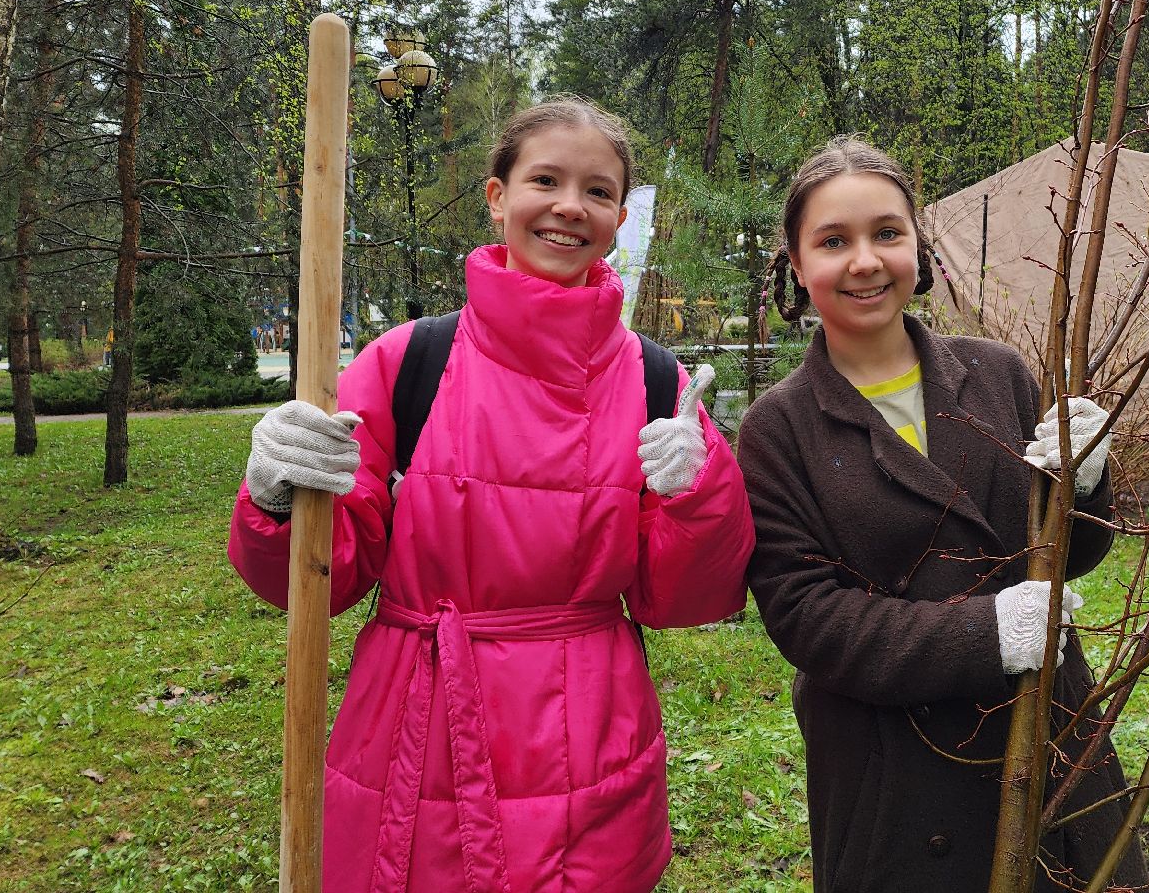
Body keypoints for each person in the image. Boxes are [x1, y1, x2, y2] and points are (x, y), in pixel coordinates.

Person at [227, 97, 756, 893]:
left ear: (619, 219)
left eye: (599, 191)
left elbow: (687, 598)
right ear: (498, 197)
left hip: (588, 738)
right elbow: (321, 581)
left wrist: (700, 493)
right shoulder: (407, 362)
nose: (570, 206)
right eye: (546, 180)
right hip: (414, 727)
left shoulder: (656, 383)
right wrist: (275, 500)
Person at [737, 137, 1149, 893]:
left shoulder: (998, 374)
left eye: (886, 233)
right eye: (834, 241)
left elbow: (1063, 552)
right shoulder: (780, 426)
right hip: (895, 766)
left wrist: (1085, 486)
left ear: (917, 247)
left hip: (1042, 725)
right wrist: (983, 635)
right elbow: (806, 616)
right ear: (796, 264)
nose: (865, 261)